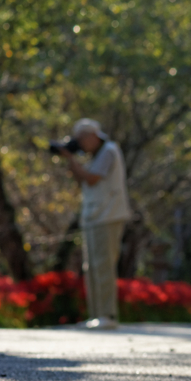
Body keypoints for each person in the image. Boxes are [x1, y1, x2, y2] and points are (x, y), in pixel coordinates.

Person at [57, 118, 132, 330]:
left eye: (81, 138)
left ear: (93, 135)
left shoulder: (108, 150)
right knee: (91, 267)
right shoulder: (94, 156)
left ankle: (108, 314)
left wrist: (71, 158)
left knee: (103, 264)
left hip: (108, 216)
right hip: (94, 217)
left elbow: (91, 179)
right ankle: (96, 315)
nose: (79, 142)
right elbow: (83, 180)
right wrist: (72, 161)